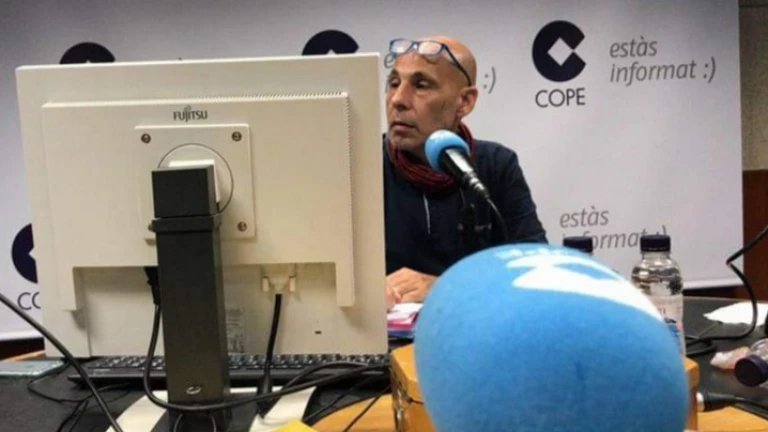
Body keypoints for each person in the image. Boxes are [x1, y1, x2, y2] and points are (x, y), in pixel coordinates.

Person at [383, 36, 547, 307]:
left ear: (465, 101)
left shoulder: (496, 165)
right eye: (394, 83)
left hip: (472, 326)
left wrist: (443, 287)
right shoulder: (360, 166)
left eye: (421, 85)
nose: (398, 99)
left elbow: (536, 270)